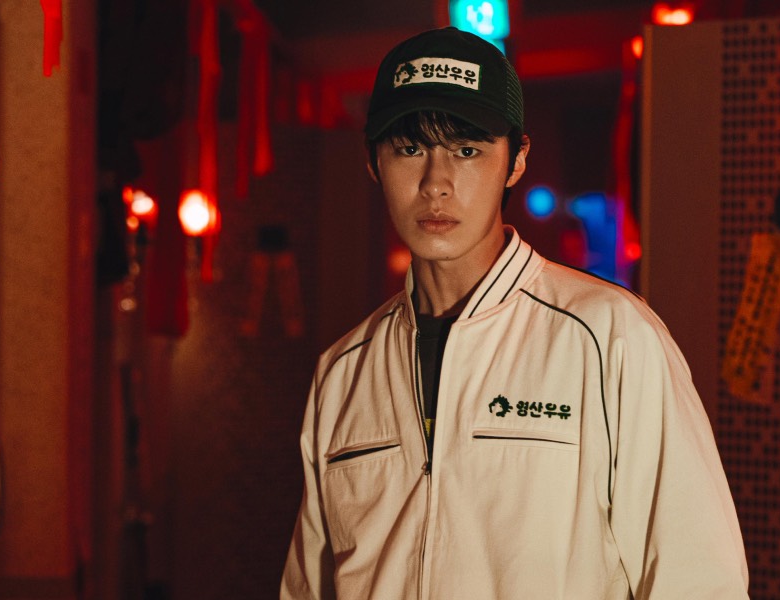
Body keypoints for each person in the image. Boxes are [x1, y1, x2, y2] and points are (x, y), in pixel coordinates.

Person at [280, 27, 749, 600]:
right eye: (409, 149)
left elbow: (699, 580)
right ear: (373, 162)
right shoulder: (343, 372)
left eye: (467, 150)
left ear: (517, 160)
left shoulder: (609, 337)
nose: (435, 183)